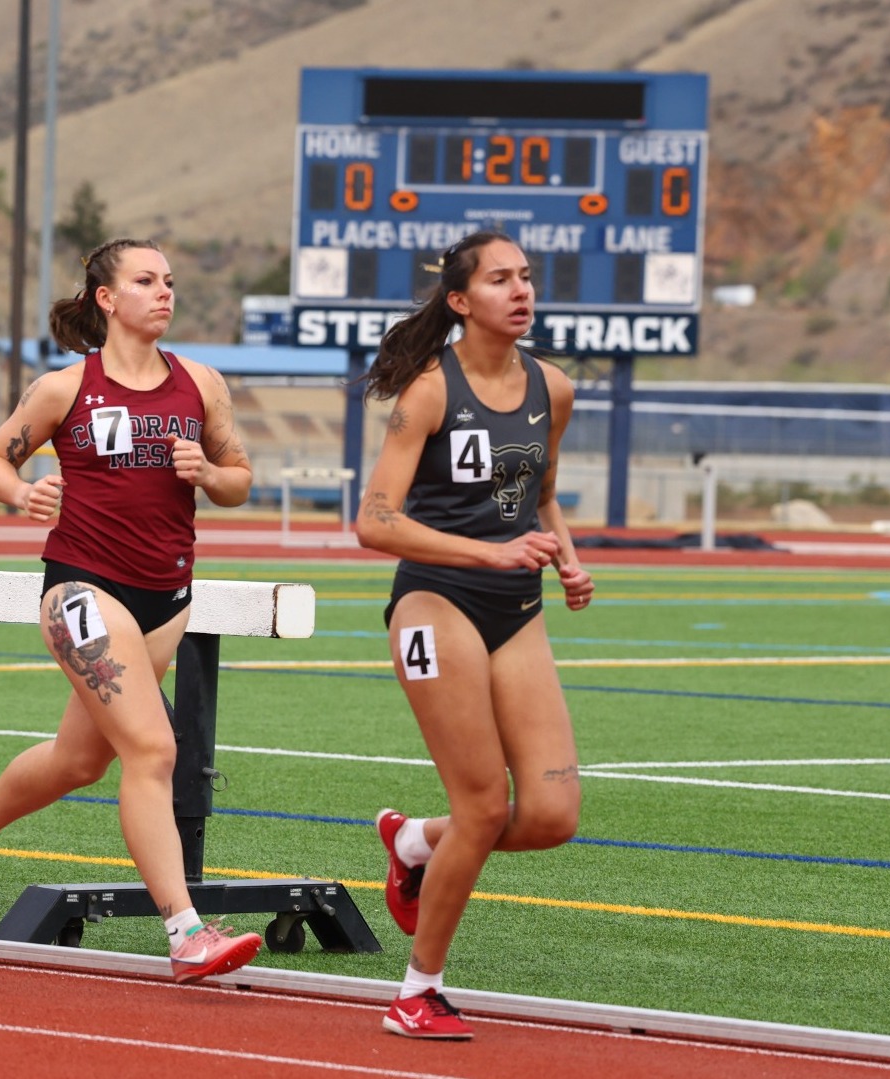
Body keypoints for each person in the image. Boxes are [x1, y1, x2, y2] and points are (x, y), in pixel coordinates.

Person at [0, 239, 263, 983]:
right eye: (146, 281)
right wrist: (22, 493)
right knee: (153, 750)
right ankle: (185, 932)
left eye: (170, 281)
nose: (164, 292)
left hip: (165, 597)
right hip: (82, 587)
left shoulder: (202, 384)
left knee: (81, 759)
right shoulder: (64, 387)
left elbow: (241, 479)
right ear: (107, 299)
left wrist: (209, 473)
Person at [355, 230, 594, 1040]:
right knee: (486, 803)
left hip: (515, 606)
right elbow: (374, 521)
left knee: (555, 813)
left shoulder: (552, 387)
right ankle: (417, 991)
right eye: (501, 280)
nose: (521, 290)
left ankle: (415, 841)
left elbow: (542, 490)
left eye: (527, 277)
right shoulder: (428, 390)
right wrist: (490, 551)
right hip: (436, 601)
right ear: (461, 302)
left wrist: (565, 554)